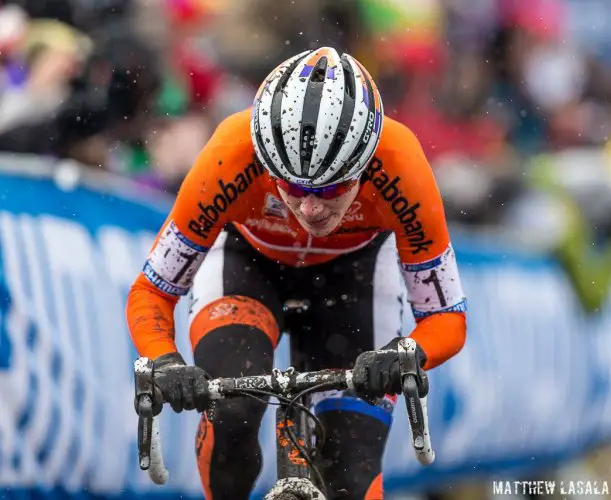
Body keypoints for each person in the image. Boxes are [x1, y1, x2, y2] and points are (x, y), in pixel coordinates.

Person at [126, 46, 468, 500]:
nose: (309, 207)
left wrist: (406, 352)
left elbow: (447, 318)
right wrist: (165, 359)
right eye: (290, 185)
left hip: (354, 273)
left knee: (350, 468)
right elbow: (153, 290)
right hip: (247, 263)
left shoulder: (402, 166)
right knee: (232, 414)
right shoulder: (231, 155)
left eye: (331, 189)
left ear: (365, 167)